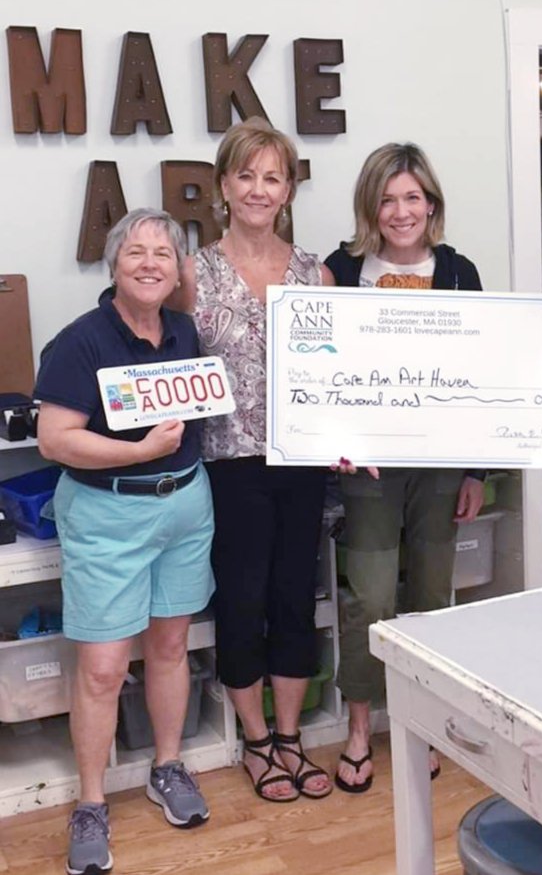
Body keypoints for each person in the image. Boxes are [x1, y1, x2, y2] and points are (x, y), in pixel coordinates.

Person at [34, 209, 214, 875]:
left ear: (177, 268)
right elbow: (54, 440)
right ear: (114, 264)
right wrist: (139, 450)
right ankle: (90, 802)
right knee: (104, 668)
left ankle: (167, 766)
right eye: (135, 251)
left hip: (184, 508)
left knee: (170, 647)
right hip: (108, 515)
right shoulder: (80, 341)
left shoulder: (184, 330)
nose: (149, 263)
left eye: (163, 253)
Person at [171, 117, 335, 802]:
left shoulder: (315, 273)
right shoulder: (192, 273)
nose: (259, 189)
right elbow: (165, 357)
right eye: (246, 175)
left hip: (302, 462)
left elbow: (336, 373)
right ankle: (256, 739)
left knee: (294, 595)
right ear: (223, 185)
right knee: (241, 599)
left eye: (273, 177)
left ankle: (290, 735)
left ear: (288, 189)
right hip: (228, 463)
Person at [325, 142, 485, 793]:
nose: (400, 211)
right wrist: (330, 435)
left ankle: (423, 725)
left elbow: (483, 369)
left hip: (441, 464)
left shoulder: (459, 271)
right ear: (370, 207)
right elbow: (319, 363)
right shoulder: (340, 269)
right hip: (368, 466)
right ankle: (361, 727)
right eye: (387, 199)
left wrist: (476, 472)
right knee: (370, 596)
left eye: (412, 197)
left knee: (431, 595)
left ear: (431, 204)